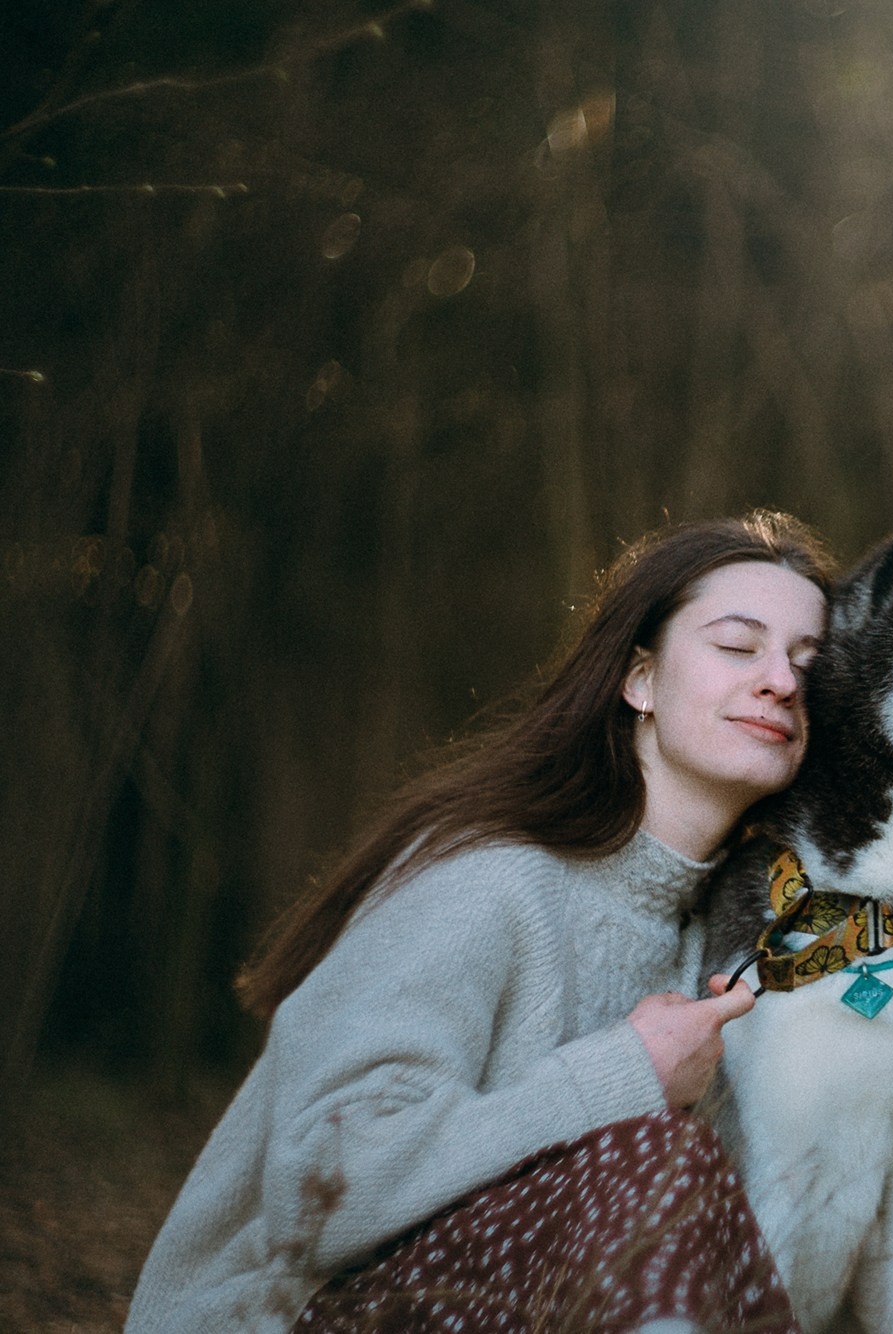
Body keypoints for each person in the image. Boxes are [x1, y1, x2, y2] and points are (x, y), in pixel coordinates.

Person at [126, 513, 834, 1334]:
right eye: (739, 646)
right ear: (639, 680)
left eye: (809, 665)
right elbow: (323, 1192)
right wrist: (624, 1072)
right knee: (661, 1160)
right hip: (283, 1316)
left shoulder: (735, 947)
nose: (781, 681)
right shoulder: (486, 877)